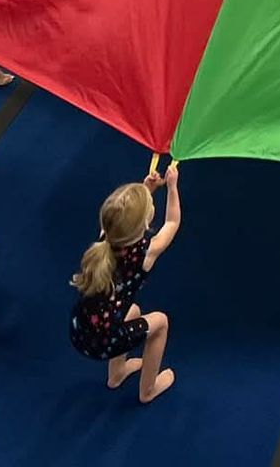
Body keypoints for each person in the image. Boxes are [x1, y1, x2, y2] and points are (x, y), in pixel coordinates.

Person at [69, 167, 182, 403]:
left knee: (134, 311)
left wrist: (146, 188)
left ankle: (116, 375)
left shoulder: (106, 238)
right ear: (144, 224)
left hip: (80, 330)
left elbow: (125, 216)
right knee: (160, 322)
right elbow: (172, 222)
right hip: (103, 340)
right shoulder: (145, 253)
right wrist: (172, 187)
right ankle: (148, 390)